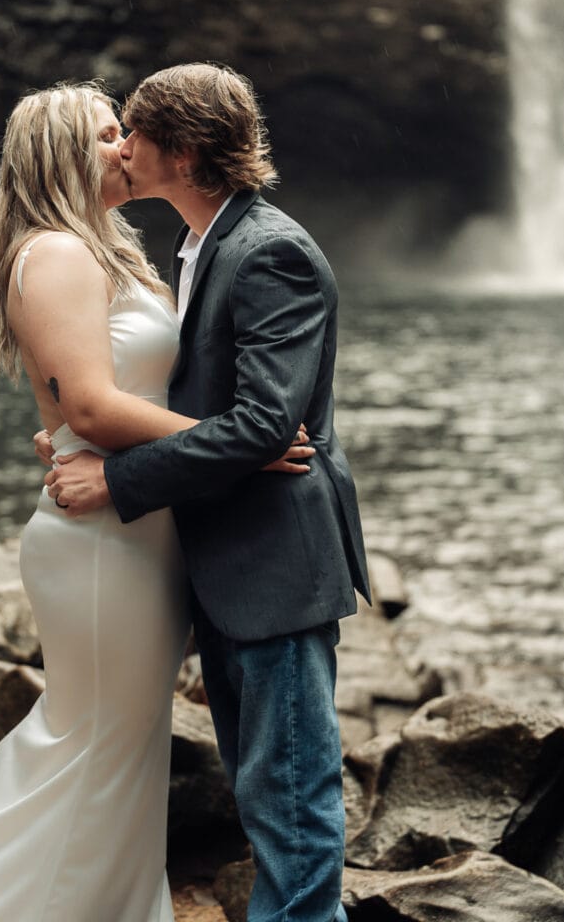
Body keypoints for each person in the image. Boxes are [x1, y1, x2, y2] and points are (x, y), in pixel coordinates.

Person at [0, 81, 312, 921]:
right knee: (89, 737)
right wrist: (242, 444)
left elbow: (103, 397)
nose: (126, 145)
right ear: (58, 154)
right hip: (99, 542)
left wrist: (115, 443)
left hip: (139, 524)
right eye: (108, 132)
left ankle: (112, 901)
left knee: (123, 741)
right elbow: (87, 406)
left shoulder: (106, 249)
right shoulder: (54, 252)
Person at [46, 63, 371, 922]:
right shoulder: (203, 244)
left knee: (293, 805)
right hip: (230, 561)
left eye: (133, 134)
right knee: (263, 789)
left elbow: (266, 425)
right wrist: (82, 432)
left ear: (183, 153)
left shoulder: (270, 251)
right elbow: (202, 407)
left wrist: (116, 480)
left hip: (274, 561)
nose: (116, 147)